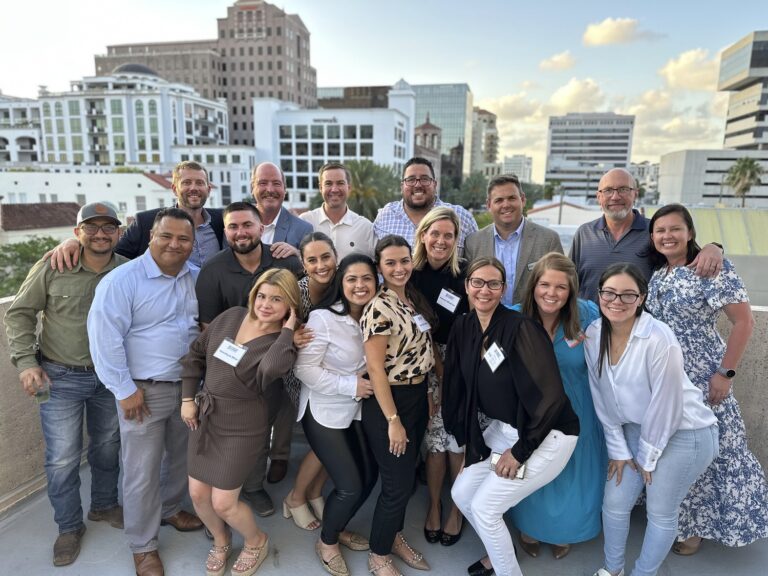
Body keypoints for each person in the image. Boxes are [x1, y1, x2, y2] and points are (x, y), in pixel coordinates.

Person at [3, 202, 126, 567]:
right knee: (62, 459)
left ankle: (104, 506)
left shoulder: (127, 272)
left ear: (119, 233)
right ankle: (69, 527)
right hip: (60, 379)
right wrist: (26, 363)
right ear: (77, 233)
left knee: (107, 447)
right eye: (92, 227)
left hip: (110, 378)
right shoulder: (53, 265)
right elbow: (20, 312)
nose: (100, 234)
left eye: (109, 227)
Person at [443, 257, 580, 576]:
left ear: (504, 289)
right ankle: (498, 552)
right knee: (462, 493)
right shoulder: (464, 326)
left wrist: (519, 453)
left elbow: (551, 398)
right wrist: (470, 446)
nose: (484, 290)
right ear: (467, 286)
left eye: (493, 283)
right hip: (502, 430)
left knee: (485, 508)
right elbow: (457, 387)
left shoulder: (521, 328)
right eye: (477, 282)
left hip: (548, 434)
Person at [645, 204, 768, 555]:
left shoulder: (710, 269)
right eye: (660, 231)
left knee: (715, 451)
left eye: (675, 229)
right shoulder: (659, 275)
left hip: (702, 375)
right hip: (665, 376)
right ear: (653, 238)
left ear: (690, 233)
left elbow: (744, 323)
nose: (667, 236)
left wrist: (724, 374)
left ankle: (697, 529)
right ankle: (679, 521)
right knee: (676, 452)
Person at [87, 208, 204, 576]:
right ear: (151, 236)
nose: (174, 244)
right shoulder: (122, 280)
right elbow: (104, 339)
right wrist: (124, 390)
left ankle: (170, 510)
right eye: (166, 236)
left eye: (183, 238)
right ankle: (143, 545)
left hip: (187, 390)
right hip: (143, 392)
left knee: (181, 460)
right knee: (141, 471)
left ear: (192, 243)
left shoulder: (197, 278)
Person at [584, 263, 719, 576]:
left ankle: (644, 574)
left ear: (641, 298)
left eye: (628, 295)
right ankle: (612, 569)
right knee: (615, 502)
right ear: (599, 294)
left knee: (660, 511)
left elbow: (667, 405)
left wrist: (647, 456)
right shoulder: (594, 334)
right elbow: (601, 397)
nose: (617, 301)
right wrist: (618, 450)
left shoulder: (659, 338)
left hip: (687, 433)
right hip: (636, 429)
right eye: (609, 293)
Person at [180, 269, 300, 576]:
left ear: (290, 307)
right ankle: (221, 540)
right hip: (207, 416)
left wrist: (287, 332)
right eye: (262, 295)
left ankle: (256, 540)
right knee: (197, 494)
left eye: (277, 299)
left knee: (223, 503)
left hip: (243, 427)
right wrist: (187, 399)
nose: (265, 304)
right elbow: (195, 356)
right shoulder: (232, 316)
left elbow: (272, 369)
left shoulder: (281, 343)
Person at [193, 201, 301, 517]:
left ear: (261, 228)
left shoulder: (285, 262)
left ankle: (252, 487)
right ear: (225, 231)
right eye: (233, 226)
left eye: (247, 225)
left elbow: (300, 309)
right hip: (230, 371)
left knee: (260, 430)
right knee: (227, 432)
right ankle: (226, 488)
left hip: (275, 367)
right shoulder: (213, 269)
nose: (241, 232)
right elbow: (208, 328)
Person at [508, 252, 607, 560]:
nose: (551, 293)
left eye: (560, 287)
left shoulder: (587, 315)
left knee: (573, 474)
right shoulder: (512, 317)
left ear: (571, 290)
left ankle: (565, 531)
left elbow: (623, 330)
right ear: (533, 285)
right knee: (534, 470)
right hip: (531, 411)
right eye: (544, 285)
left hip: (578, 409)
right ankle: (530, 527)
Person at [294, 254, 381, 576]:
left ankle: (337, 524)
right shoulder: (323, 318)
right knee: (350, 486)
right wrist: (351, 385)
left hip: (355, 412)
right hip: (324, 411)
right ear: (341, 284)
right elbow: (304, 369)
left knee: (370, 476)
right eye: (352, 279)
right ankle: (327, 541)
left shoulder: (376, 314)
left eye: (366, 279)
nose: (360, 286)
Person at [361, 235, 437, 575]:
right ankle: (378, 554)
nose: (399, 267)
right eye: (390, 262)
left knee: (405, 480)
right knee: (396, 484)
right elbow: (375, 369)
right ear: (379, 267)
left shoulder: (411, 299)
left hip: (417, 396)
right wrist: (393, 419)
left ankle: (393, 536)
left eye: (404, 260)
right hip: (390, 401)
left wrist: (430, 393)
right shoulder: (379, 307)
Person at [570, 168, 723, 302]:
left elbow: (688, 253)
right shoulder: (584, 233)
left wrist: (714, 248)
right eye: (608, 190)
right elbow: (570, 282)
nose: (615, 197)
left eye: (623, 189)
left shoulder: (656, 231)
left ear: (635, 194)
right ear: (599, 197)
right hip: (590, 329)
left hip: (640, 331)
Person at [409, 207, 468, 547]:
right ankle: (433, 504)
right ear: (423, 235)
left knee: (457, 443)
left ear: (456, 240)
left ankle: (456, 510)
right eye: (435, 233)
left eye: (448, 235)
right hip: (422, 364)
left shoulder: (464, 277)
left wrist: (448, 371)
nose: (441, 240)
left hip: (457, 365)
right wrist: (433, 366)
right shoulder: (410, 275)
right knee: (434, 444)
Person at [47, 160, 224, 270]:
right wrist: (77, 244)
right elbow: (110, 253)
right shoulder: (147, 222)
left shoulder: (223, 220)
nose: (194, 188)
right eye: (186, 182)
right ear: (174, 188)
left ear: (208, 189)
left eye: (200, 183)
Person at [283, 232, 340, 531]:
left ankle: (315, 492)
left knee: (337, 437)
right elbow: (267, 325)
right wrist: (289, 336)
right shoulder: (295, 292)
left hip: (336, 372)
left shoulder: (344, 286)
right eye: (312, 260)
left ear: (336, 257)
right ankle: (295, 498)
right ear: (303, 264)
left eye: (326, 257)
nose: (321, 265)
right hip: (301, 374)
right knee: (323, 440)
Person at [463, 174, 563, 306]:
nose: (506, 205)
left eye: (512, 198)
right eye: (499, 200)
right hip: (486, 323)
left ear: (522, 200)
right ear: (489, 205)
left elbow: (562, 284)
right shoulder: (473, 242)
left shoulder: (548, 240)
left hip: (532, 323)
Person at [373, 157, 477, 252]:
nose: (418, 184)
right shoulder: (385, 215)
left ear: (435, 184)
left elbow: (478, 262)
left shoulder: (462, 218)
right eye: (411, 180)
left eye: (424, 179)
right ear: (402, 186)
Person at [300, 161, 376, 259]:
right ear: (320, 188)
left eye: (340, 183)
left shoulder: (365, 227)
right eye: (328, 183)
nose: (334, 189)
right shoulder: (305, 221)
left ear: (349, 187)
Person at [251, 161, 313, 260]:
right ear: (252, 188)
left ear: (285, 190)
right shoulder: (236, 225)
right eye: (263, 183)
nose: (270, 190)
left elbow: (311, 269)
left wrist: (298, 255)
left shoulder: (303, 230)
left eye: (276, 183)